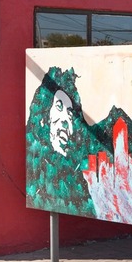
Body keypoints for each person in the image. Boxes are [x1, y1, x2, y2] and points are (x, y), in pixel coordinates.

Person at [25, 67, 94, 216]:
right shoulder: (36, 166)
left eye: (70, 115)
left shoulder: (74, 178)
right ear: (44, 115)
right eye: (58, 107)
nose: (65, 121)